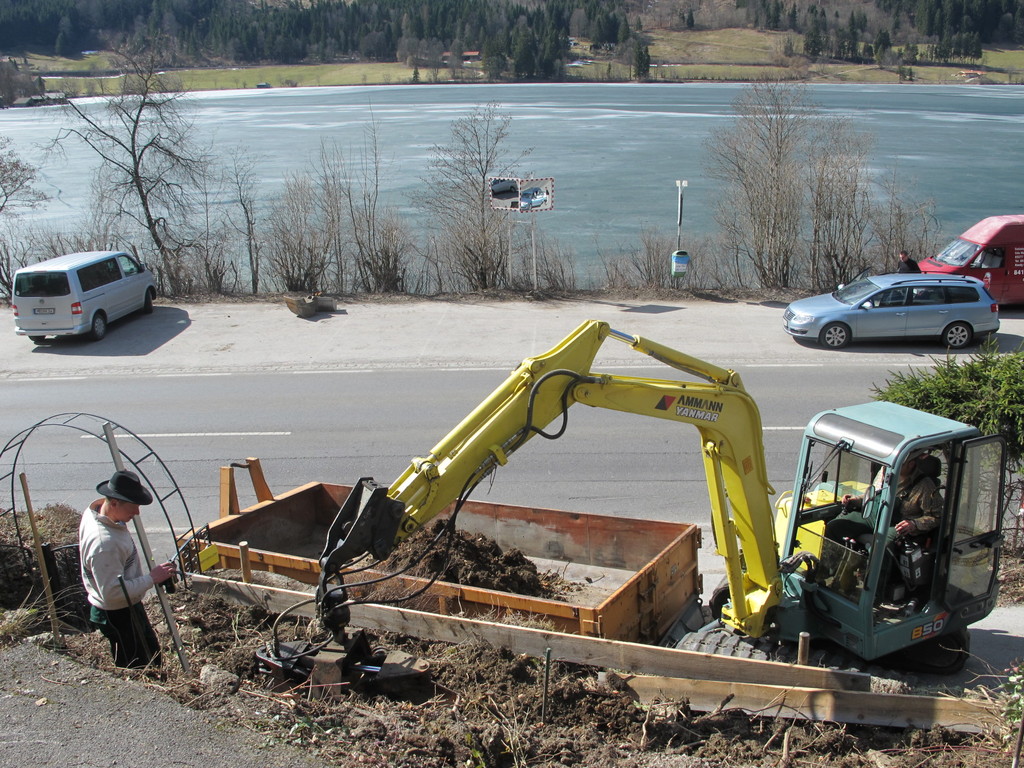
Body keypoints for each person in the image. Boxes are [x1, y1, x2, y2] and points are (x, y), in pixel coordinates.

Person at [78, 470, 176, 669]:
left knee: (150, 652)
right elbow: (113, 593)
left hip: (125, 607)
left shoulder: (97, 512)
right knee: (138, 663)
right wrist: (151, 578)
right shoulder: (104, 543)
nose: (137, 513)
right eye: (134, 507)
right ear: (114, 503)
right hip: (117, 613)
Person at [828, 451, 944, 545]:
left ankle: (875, 574)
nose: (891, 467)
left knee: (880, 545)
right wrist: (856, 500)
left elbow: (936, 517)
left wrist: (913, 524)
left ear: (911, 464)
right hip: (873, 516)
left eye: (898, 464)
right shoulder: (885, 470)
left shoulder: (925, 485)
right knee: (834, 526)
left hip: (896, 524)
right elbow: (874, 493)